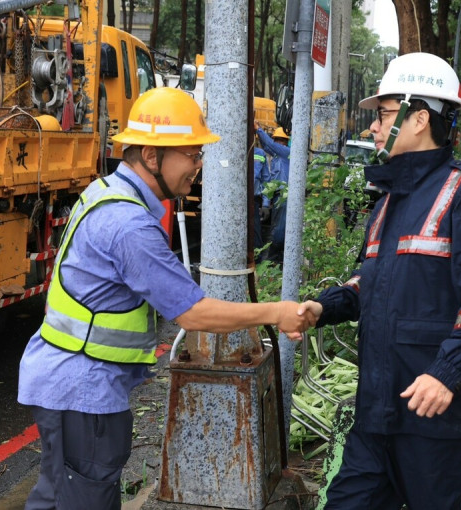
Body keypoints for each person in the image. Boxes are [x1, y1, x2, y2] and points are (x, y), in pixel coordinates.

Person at [17, 87, 316, 509]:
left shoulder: (104, 192)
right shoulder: (130, 226)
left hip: (65, 383)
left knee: (56, 496)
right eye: (191, 155)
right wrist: (278, 312)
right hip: (82, 392)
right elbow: (193, 312)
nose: (198, 165)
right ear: (152, 156)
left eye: (199, 154)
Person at [298, 52, 461, 510]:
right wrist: (325, 307)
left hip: (436, 418)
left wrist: (446, 374)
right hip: (377, 408)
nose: (372, 128)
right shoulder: (390, 200)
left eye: (381, 114)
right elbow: (373, 280)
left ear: (419, 118)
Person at [254, 122, 291, 264]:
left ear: (285, 142)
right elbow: (268, 146)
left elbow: (270, 145)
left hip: (285, 194)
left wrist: (259, 129)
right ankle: (278, 259)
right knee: (277, 225)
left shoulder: (286, 153)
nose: (277, 143)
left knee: (280, 228)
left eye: (279, 140)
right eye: (276, 140)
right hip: (278, 195)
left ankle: (274, 257)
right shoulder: (277, 157)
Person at [253, 144, 271, 256]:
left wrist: (265, 204)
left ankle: (256, 266)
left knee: (255, 239)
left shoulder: (259, 153)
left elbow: (266, 180)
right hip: (231, 203)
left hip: (252, 202)